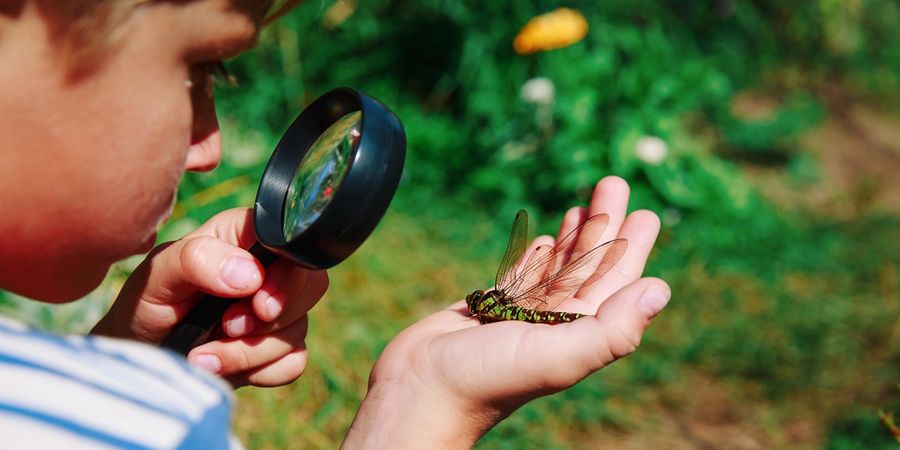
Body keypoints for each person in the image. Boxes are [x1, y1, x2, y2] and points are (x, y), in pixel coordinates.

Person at [0, 0, 670, 448]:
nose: (208, 146)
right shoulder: (164, 426)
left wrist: (123, 360)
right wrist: (427, 410)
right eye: (197, 71)